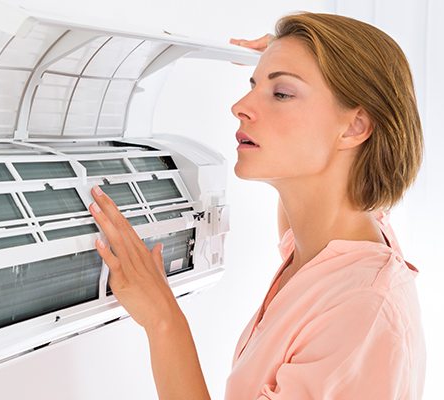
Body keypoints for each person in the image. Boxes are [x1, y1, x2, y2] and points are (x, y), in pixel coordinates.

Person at [88, 12, 426, 400]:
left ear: (353, 127)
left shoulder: (361, 310)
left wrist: (163, 321)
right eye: (253, 85)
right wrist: (284, 57)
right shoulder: (333, 238)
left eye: (281, 93)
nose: (240, 106)